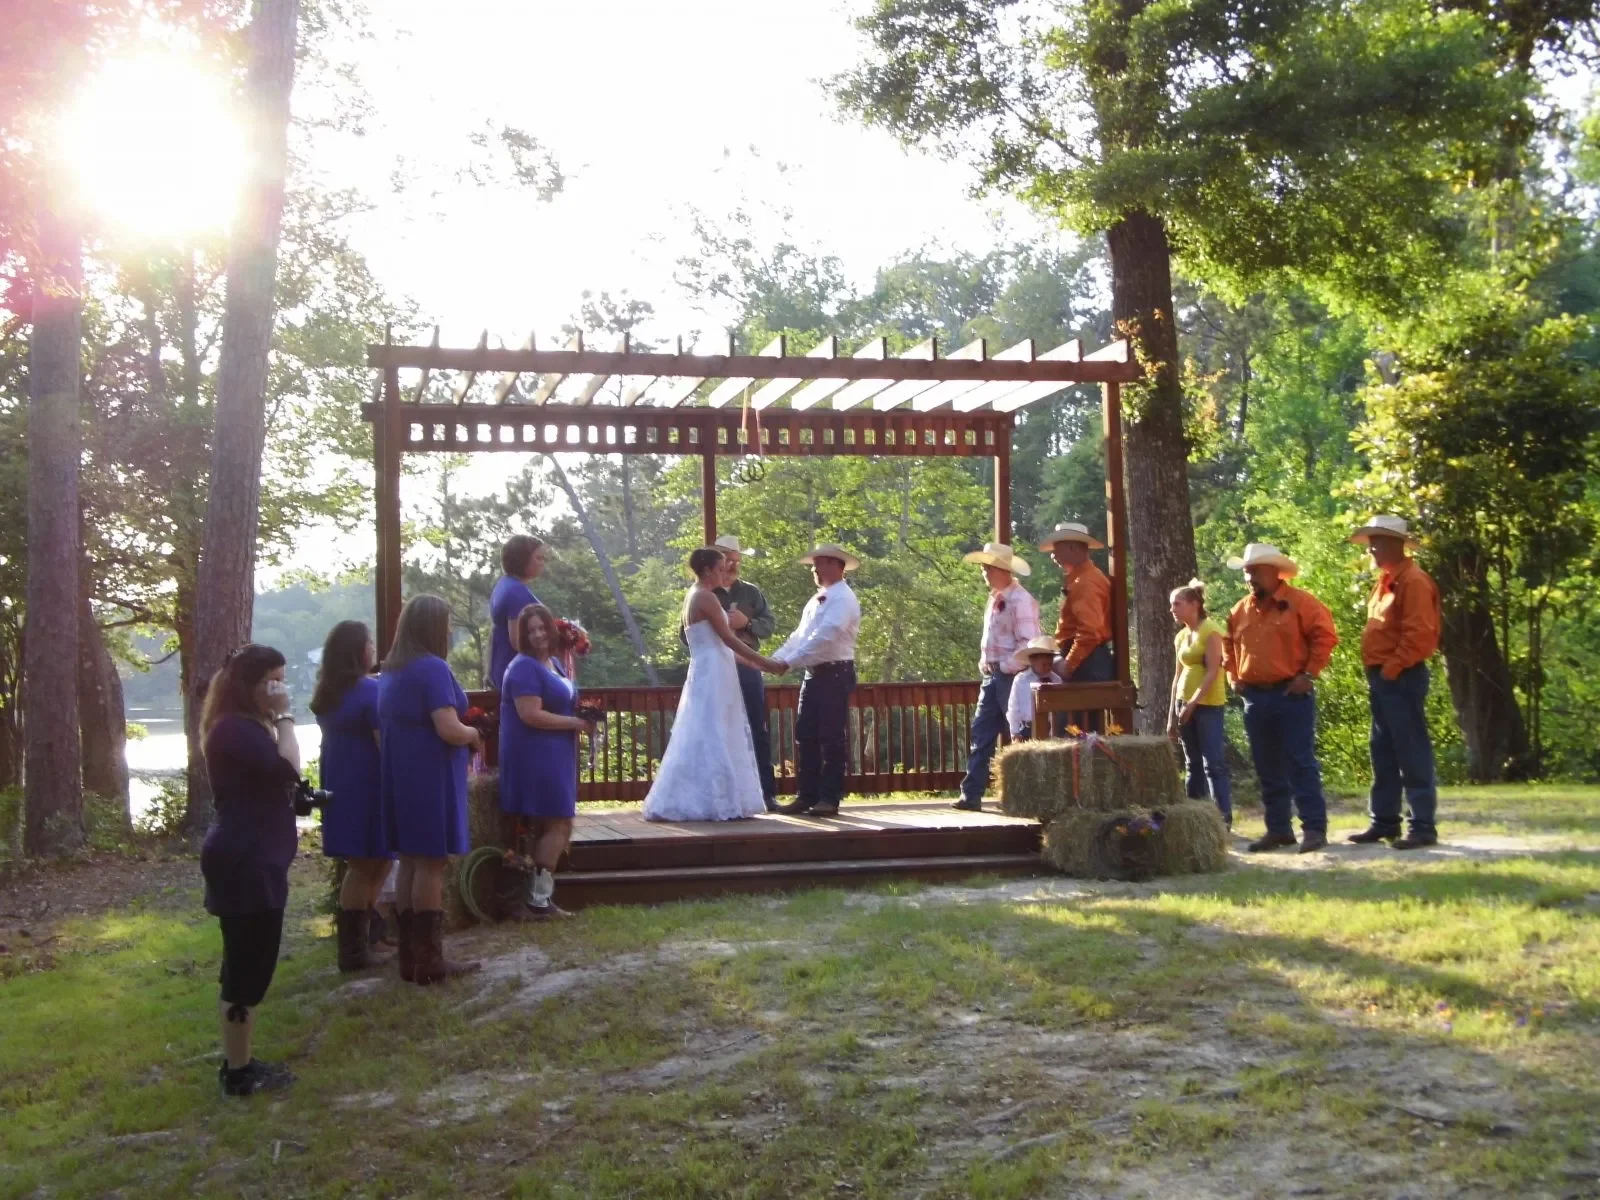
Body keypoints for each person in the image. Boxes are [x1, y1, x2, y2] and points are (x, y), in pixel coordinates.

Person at [198, 644, 301, 1097]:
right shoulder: (233, 730)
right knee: (245, 969)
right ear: (248, 684)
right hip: (244, 860)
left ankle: (241, 1060)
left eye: (282, 679)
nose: (278, 690)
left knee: (253, 966)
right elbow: (289, 768)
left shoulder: (243, 727)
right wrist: (285, 717)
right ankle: (237, 1072)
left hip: (259, 858)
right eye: (271, 682)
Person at [379, 594, 483, 984]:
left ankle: (410, 956)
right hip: (430, 775)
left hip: (401, 774)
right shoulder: (431, 669)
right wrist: (474, 733)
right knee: (431, 863)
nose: (451, 630)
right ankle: (429, 959)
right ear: (433, 628)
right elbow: (448, 728)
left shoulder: (392, 670)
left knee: (409, 860)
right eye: (447, 623)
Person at [643, 547, 786, 822]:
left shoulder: (697, 595)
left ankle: (721, 796)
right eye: (721, 568)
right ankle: (711, 799)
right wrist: (767, 662)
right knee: (712, 731)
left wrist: (755, 665)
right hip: (712, 672)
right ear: (707, 570)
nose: (726, 573)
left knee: (715, 729)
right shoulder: (704, 597)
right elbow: (729, 640)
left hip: (716, 667)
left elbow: (724, 648)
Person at [1223, 544, 1339, 854]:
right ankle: (1279, 829)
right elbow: (1227, 645)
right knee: (1266, 765)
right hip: (1255, 698)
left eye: (1255, 572)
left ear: (1275, 572)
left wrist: (1309, 674)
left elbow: (1326, 637)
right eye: (1247, 573)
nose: (1250, 578)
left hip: (1291, 694)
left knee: (1300, 762)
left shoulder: (1303, 603)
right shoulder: (1239, 610)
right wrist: (1233, 677)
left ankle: (1314, 828)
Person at [1346, 515, 1442, 850]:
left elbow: (1420, 635)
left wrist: (1393, 667)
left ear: (1396, 544)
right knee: (1383, 750)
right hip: (1384, 677)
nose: (1371, 547)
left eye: (1378, 541)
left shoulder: (1412, 581)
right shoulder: (1386, 581)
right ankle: (1385, 821)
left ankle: (1422, 826)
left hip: (1400, 676)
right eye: (1371, 540)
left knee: (1411, 749)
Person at [499, 603, 595, 917]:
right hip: (535, 753)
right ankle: (538, 900)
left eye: (542, 628)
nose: (538, 634)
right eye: (531, 631)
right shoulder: (523, 667)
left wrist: (585, 716)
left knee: (555, 823)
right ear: (523, 637)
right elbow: (530, 714)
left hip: (557, 752)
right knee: (560, 821)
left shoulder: (553, 662)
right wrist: (575, 724)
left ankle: (537, 898)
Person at [311, 620, 393, 971]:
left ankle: (366, 938)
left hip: (339, 784)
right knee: (366, 865)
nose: (374, 649)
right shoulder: (368, 692)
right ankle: (354, 951)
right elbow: (383, 744)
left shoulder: (329, 694)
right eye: (370, 643)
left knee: (372, 862)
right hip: (366, 787)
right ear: (358, 652)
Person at [774, 544, 863, 817]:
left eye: (821, 563)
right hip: (813, 674)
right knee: (806, 735)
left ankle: (829, 797)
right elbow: (800, 635)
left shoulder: (844, 599)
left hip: (835, 672)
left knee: (831, 737)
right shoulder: (816, 600)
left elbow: (826, 635)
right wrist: (776, 659)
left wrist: (790, 661)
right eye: (815, 563)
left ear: (838, 566)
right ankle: (807, 795)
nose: (814, 568)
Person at [955, 543, 1040, 811]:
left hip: (1012, 677)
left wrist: (1004, 666)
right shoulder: (996, 598)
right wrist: (986, 664)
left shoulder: (1020, 599)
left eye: (988, 567)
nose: (984, 571)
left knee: (1020, 734)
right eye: (983, 567)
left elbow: (1029, 643)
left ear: (1003, 569)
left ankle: (1026, 795)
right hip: (992, 676)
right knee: (981, 734)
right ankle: (972, 795)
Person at [712, 534, 780, 810]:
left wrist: (747, 623)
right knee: (717, 729)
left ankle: (766, 794)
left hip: (748, 668)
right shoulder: (704, 593)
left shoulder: (751, 592)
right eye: (727, 560)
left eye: (736, 561)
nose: (732, 566)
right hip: (716, 668)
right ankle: (721, 794)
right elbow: (686, 634)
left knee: (756, 727)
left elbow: (769, 624)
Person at [1167, 580, 1233, 829]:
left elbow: (1213, 671)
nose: (1172, 609)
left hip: (1207, 704)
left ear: (1195, 605)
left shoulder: (1211, 631)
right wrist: (1171, 717)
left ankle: (1222, 818)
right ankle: (1194, 816)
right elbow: (1176, 676)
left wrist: (1194, 703)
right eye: (1172, 605)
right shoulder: (1181, 636)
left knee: (1212, 763)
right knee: (1191, 762)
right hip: (1183, 704)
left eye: (1177, 604)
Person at [1039, 521, 1114, 733]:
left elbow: (1090, 632)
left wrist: (1068, 664)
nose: (1053, 554)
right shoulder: (1083, 578)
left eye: (1057, 548)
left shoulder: (1086, 582)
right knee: (1080, 731)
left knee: (1072, 731)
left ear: (1072, 547)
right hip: (1087, 661)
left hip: (1086, 664)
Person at [488, 534, 547, 690]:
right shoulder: (516, 592)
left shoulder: (504, 584)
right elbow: (518, 642)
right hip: (519, 673)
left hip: (502, 665)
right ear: (523, 559)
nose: (543, 563)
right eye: (538, 558)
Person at [1007, 636, 1063, 741]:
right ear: (1032, 660)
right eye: (1044, 664)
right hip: (1027, 730)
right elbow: (1013, 708)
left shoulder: (1056, 679)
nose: (1047, 667)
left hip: (1051, 729)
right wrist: (1014, 732)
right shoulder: (1020, 680)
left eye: (1050, 664)